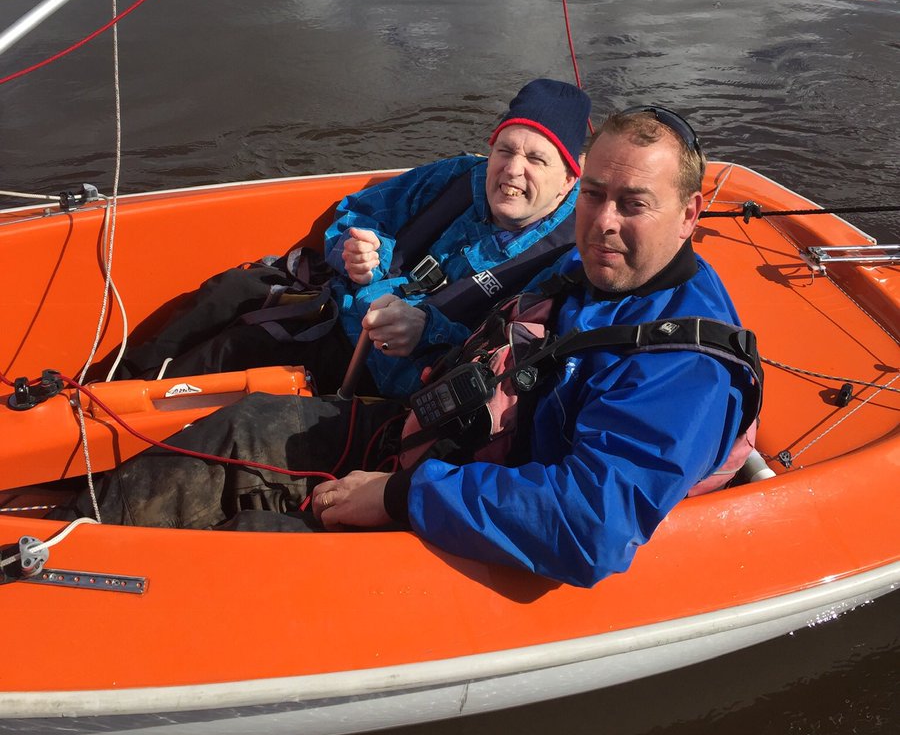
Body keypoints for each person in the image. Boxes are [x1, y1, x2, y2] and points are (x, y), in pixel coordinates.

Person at [68, 107, 759, 590]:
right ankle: (67, 544)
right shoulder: (589, 273)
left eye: (633, 204)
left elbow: (589, 524)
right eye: (596, 196)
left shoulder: (682, 367)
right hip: (436, 442)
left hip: (468, 511)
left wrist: (399, 497)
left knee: (260, 540)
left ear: (689, 214)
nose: (604, 222)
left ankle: (100, 615)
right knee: (243, 426)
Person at [118, 79, 591, 401]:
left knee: (239, 352)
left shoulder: (569, 258)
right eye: (505, 150)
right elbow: (359, 212)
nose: (512, 169)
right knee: (228, 292)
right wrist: (364, 250)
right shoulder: (455, 178)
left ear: (570, 177)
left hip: (389, 382)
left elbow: (520, 356)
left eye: (537, 159)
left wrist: (429, 331)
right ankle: (111, 387)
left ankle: (110, 426)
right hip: (336, 306)